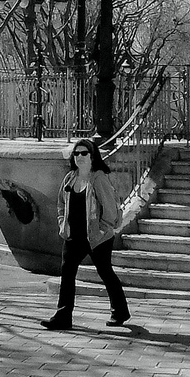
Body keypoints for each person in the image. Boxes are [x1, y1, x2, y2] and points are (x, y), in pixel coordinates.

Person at [43, 138, 130, 330]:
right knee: (67, 273)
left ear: (92, 156)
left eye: (84, 153)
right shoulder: (70, 178)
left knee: (105, 272)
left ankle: (120, 311)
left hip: (96, 237)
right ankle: (63, 316)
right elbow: (60, 204)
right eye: (76, 153)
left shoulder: (98, 178)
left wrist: (101, 228)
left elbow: (110, 209)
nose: (79, 157)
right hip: (73, 237)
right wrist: (61, 224)